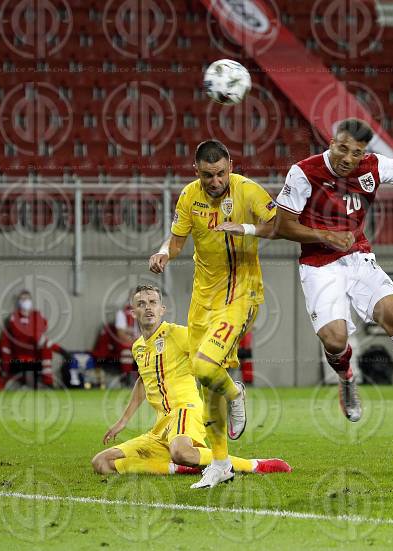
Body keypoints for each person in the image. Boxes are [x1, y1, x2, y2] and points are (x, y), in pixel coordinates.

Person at [269, 118, 393, 434]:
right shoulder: (304, 172)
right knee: (334, 342)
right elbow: (282, 226)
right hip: (319, 265)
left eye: (356, 152)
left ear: (364, 153)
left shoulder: (374, 166)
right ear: (331, 142)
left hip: (359, 257)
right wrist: (327, 236)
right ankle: (347, 375)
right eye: (342, 148)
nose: (348, 158)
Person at [148, 140, 277, 488]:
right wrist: (163, 253)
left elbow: (277, 223)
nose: (215, 180)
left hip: (241, 295)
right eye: (208, 175)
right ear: (197, 172)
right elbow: (176, 241)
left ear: (230, 167)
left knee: (207, 367)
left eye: (221, 173)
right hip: (202, 300)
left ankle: (237, 393)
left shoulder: (247, 191)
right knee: (204, 382)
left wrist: (246, 228)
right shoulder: (190, 196)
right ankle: (219, 463)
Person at [91, 285, 291, 477]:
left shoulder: (177, 333)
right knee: (102, 463)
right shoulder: (138, 347)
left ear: (162, 309)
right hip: (161, 425)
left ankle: (254, 465)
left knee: (181, 453)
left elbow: (208, 351)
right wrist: (123, 421)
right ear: (133, 312)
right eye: (141, 303)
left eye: (153, 302)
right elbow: (143, 381)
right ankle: (182, 468)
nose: (148, 307)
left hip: (186, 410)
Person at [0, 290, 67, 387]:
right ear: (18, 302)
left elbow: (42, 328)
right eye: (23, 299)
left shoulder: (36, 315)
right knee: (42, 342)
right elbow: (21, 335)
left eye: (27, 299)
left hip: (35, 356)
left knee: (45, 348)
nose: (25, 301)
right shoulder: (14, 317)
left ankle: (48, 382)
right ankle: (17, 381)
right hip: (19, 358)